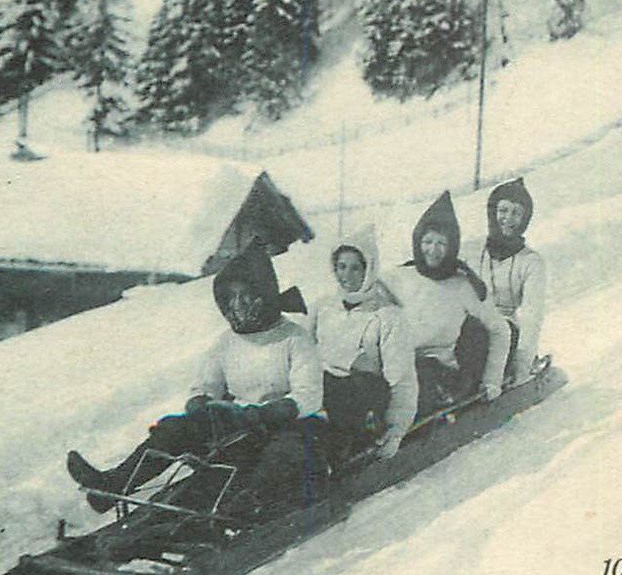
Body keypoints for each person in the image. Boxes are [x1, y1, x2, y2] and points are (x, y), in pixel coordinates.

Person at [65, 244, 325, 519]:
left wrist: (266, 412)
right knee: (173, 429)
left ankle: (248, 504)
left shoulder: (294, 339)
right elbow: (205, 385)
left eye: (246, 295)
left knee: (282, 452)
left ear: (264, 295)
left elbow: (308, 395)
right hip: (239, 426)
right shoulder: (226, 342)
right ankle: (113, 484)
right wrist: (202, 406)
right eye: (231, 297)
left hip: (284, 425)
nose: (238, 305)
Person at [385, 191, 511, 417]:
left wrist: (492, 380)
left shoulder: (463, 285)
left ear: (452, 246)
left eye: (442, 243)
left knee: (418, 382)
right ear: (417, 241)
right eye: (427, 241)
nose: (433, 250)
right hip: (396, 366)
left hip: (439, 372)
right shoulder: (397, 278)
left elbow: (500, 330)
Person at [309, 226, 417, 462]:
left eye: (355, 268)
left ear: (368, 270)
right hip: (322, 392)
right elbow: (303, 354)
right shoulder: (323, 308)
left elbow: (402, 378)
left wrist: (396, 430)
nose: (346, 275)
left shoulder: (388, 316)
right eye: (341, 267)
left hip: (362, 398)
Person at [477, 178, 548, 386]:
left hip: (506, 331)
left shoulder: (531, 262)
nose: (508, 219)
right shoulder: (472, 250)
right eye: (503, 210)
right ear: (492, 212)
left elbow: (532, 316)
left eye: (516, 213)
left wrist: (522, 363)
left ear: (525, 219)